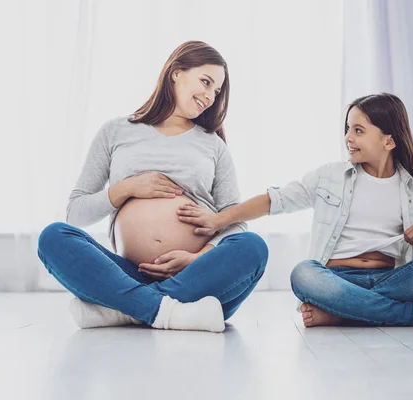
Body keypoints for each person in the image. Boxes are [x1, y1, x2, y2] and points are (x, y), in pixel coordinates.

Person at [177, 93, 413, 328]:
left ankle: (345, 314)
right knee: (303, 274)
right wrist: (219, 219)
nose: (348, 138)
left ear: (389, 140)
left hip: (392, 280)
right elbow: (275, 200)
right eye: (348, 129)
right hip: (335, 280)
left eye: (359, 130)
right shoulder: (331, 177)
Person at [37, 41, 268, 333]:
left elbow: (235, 221)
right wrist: (127, 188)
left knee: (253, 248)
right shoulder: (115, 131)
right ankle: (166, 311)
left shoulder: (213, 145)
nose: (210, 96)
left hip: (197, 277)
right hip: (129, 275)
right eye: (206, 82)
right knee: (53, 237)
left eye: (217, 91)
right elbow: (76, 214)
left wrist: (199, 257)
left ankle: (125, 309)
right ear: (176, 72)